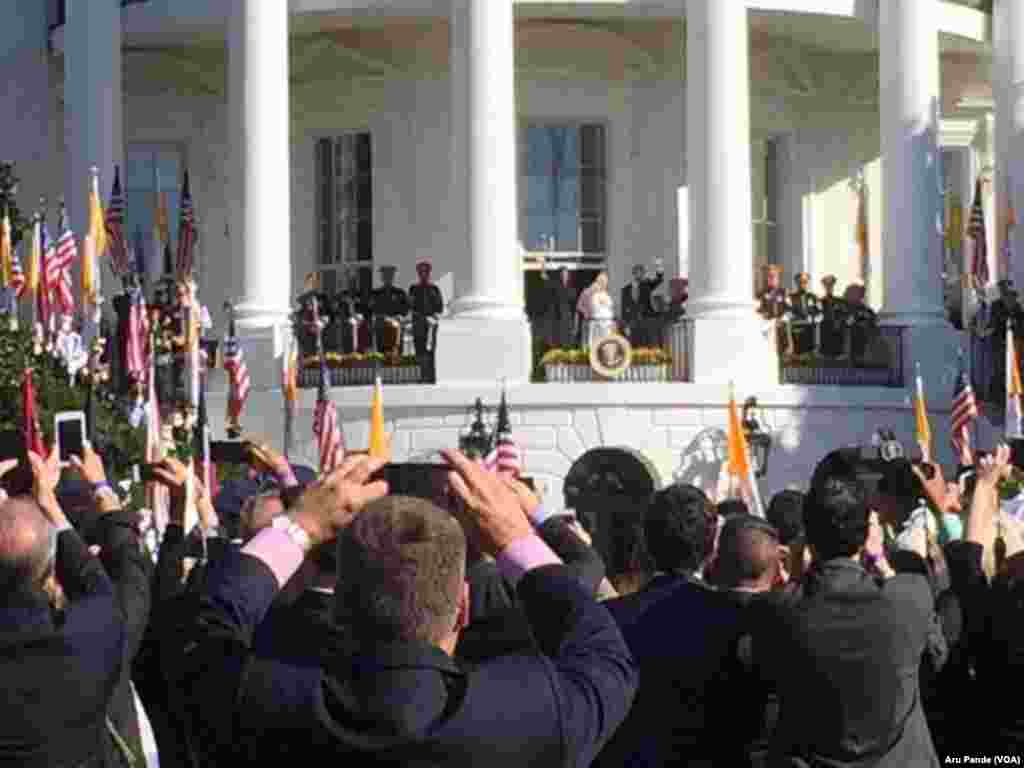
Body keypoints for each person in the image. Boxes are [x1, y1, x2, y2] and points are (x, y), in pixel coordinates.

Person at [170, 451, 638, 766]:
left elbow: (203, 624)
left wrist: (301, 526)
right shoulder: (534, 716)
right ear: (462, 608)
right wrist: (516, 536)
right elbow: (601, 649)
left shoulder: (259, 702)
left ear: (342, 605)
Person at [752, 450, 940, 766]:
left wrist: (797, 568)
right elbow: (937, 656)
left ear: (807, 538)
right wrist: (881, 561)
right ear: (869, 532)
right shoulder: (909, 596)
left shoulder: (776, 611)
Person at [408, 259, 443, 382]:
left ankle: (431, 376)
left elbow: (440, 307)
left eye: (425, 272)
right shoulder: (413, 289)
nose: (423, 274)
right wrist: (422, 317)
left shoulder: (434, 289)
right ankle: (421, 376)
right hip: (419, 325)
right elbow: (411, 307)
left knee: (431, 351)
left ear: (429, 273)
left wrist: (434, 317)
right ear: (418, 274)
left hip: (431, 325)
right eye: (421, 272)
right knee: (419, 350)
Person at [620, 262, 665, 346]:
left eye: (642, 273)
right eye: (638, 272)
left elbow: (659, 280)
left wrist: (659, 266)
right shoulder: (625, 290)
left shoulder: (647, 285)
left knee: (647, 344)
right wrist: (625, 325)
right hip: (633, 322)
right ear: (634, 274)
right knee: (634, 344)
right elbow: (623, 309)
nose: (640, 275)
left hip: (646, 319)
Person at [371, 265, 409, 355]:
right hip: (382, 329)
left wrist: (400, 316)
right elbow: (372, 310)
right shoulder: (376, 293)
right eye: (385, 276)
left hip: (396, 328)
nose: (388, 278)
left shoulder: (400, 293)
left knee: (397, 354)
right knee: (382, 355)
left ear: (393, 277)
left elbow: (405, 310)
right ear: (382, 278)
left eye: (390, 276)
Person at [578, 271, 616, 349]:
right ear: (597, 280)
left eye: (605, 281)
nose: (604, 283)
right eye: (601, 280)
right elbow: (579, 306)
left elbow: (610, 309)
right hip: (594, 323)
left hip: (607, 324)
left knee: (606, 344)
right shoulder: (588, 291)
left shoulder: (606, 294)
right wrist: (587, 314)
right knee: (593, 345)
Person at [788, 272, 821, 356]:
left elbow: (820, 313)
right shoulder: (791, 297)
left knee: (810, 356)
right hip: (796, 329)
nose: (802, 284)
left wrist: (813, 318)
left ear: (807, 283)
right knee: (798, 355)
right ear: (796, 283)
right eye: (800, 282)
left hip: (810, 330)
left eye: (805, 282)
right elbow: (788, 312)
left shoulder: (814, 297)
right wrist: (794, 318)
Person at [547, 266, 577, 349]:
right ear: (559, 275)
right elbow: (546, 281)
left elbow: (575, 305)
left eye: (566, 274)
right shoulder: (555, 286)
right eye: (563, 274)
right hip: (557, 318)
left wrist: (575, 321)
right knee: (558, 340)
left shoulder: (572, 288)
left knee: (568, 341)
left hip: (568, 317)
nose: (564, 276)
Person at [819, 275, 847, 358]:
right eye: (827, 286)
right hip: (824, 332)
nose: (829, 288)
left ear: (833, 286)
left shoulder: (840, 301)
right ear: (824, 287)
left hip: (837, 332)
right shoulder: (820, 301)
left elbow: (843, 315)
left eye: (830, 285)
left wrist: (839, 321)